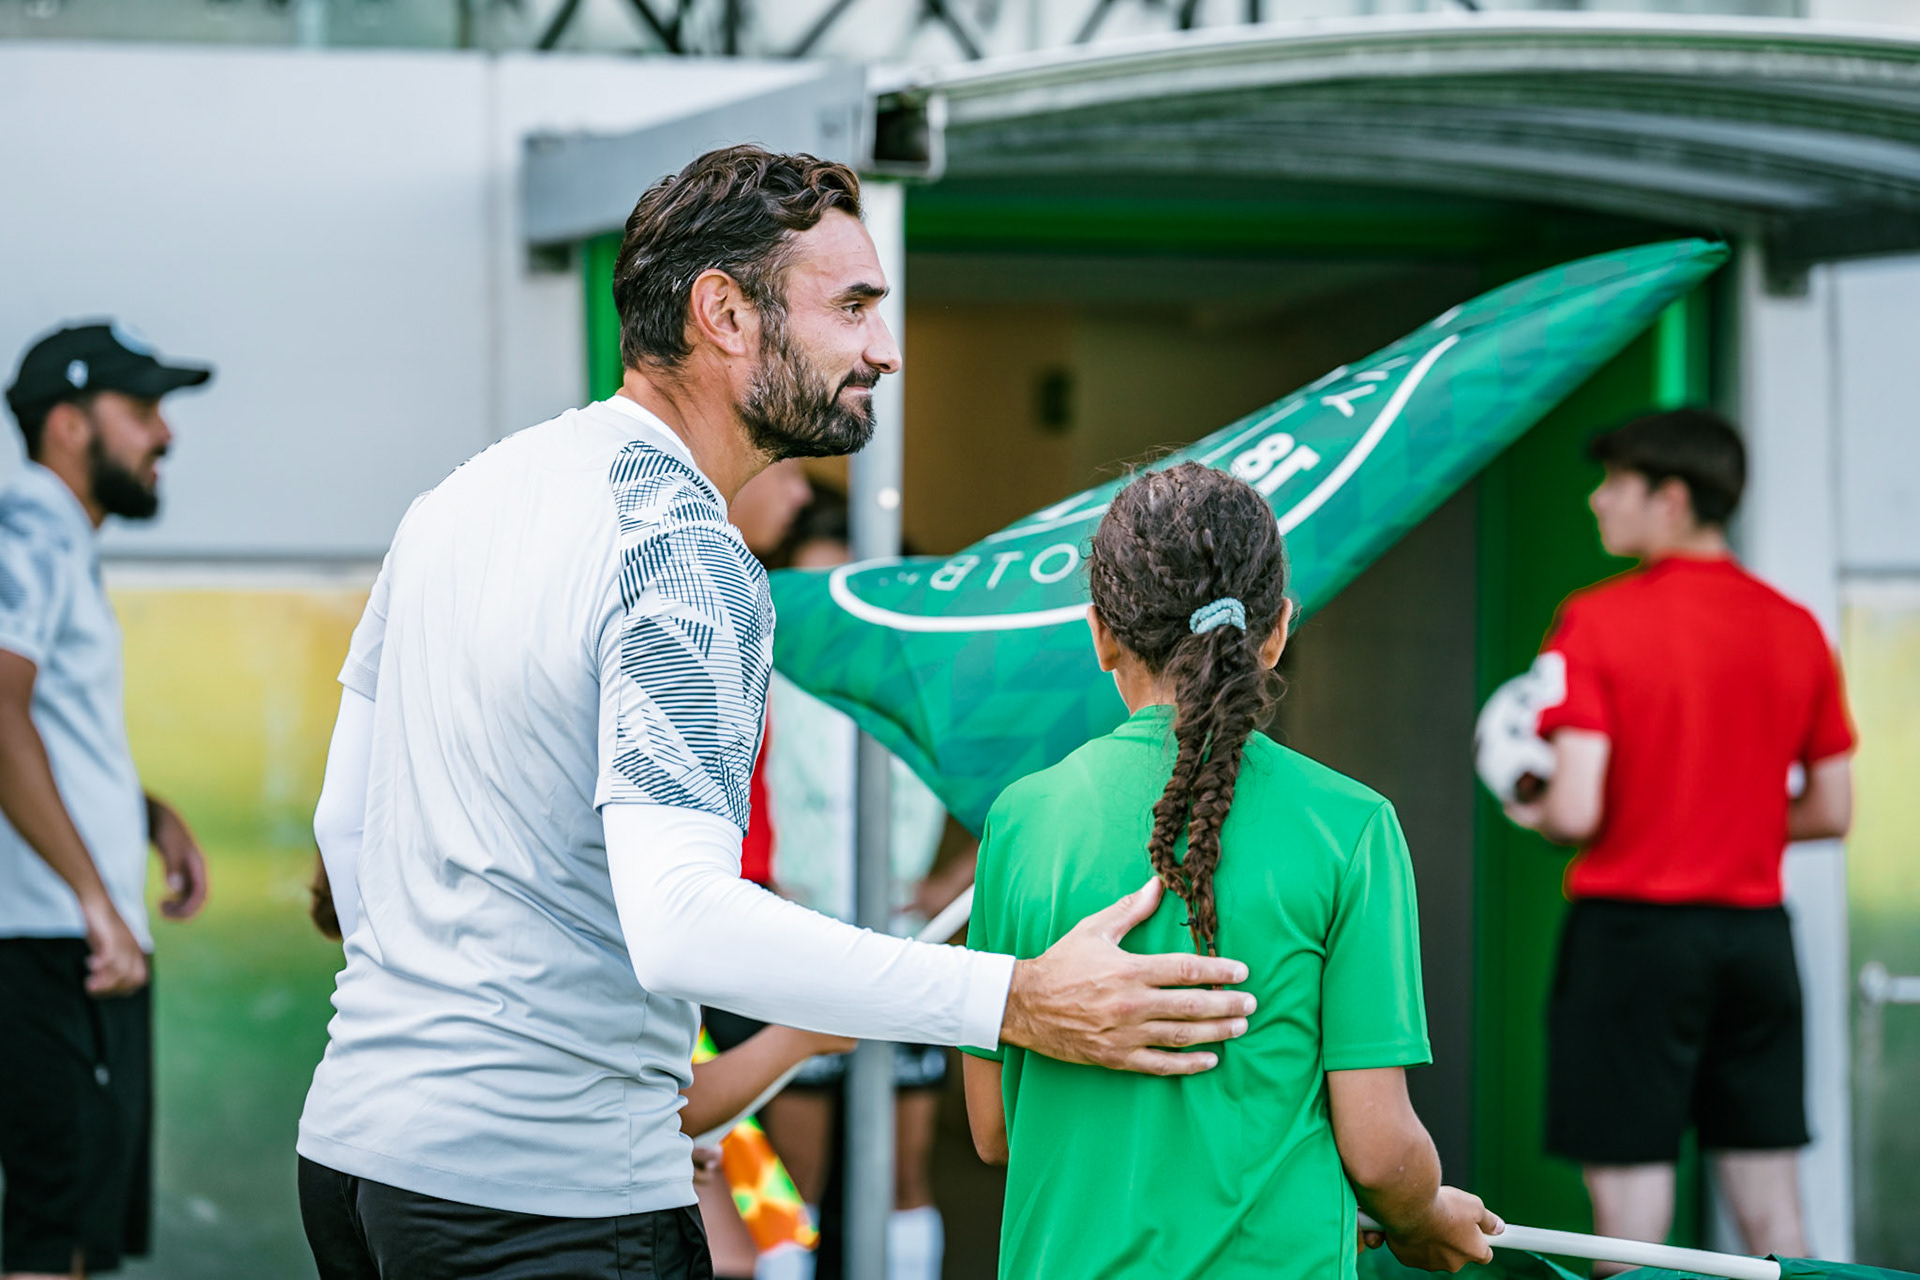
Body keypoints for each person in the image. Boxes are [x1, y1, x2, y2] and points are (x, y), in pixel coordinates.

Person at [296, 145, 1255, 1280]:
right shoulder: (688, 552)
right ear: (724, 313)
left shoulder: (462, 496)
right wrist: (1018, 998)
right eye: (851, 306)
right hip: (542, 1200)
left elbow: (345, 830)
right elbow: (684, 921)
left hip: (357, 1160)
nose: (884, 351)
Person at [961, 462, 1500, 1280]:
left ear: (1100, 632)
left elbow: (996, 1130)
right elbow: (1380, 1150)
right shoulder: (1350, 827)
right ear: (1277, 628)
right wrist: (1422, 1213)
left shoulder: (1021, 818)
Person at [1504, 409, 1854, 1263]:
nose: (1596, 501)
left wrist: (1527, 805)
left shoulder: (1597, 620)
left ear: (1670, 498)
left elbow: (1576, 810)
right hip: (1756, 940)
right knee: (1775, 1220)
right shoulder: (1795, 626)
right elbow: (1833, 810)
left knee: (1631, 1234)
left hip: (1631, 938)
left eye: (1615, 484)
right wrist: (1721, 818)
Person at [0, 322, 214, 1280]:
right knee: (53, 1243)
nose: (163, 436)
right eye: (140, 412)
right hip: (49, 946)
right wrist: (95, 897)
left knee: (76, 1237)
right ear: (67, 426)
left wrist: (144, 814)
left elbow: (47, 723)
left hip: (68, 942)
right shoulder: (29, 520)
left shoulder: (52, 538)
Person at [755, 487, 964, 1280]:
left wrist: (961, 876)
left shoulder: (926, 679)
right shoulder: (762, 666)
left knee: (905, 1177)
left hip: (907, 947)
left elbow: (1024, 774)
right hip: (792, 948)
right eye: (814, 600)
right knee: (784, 1181)